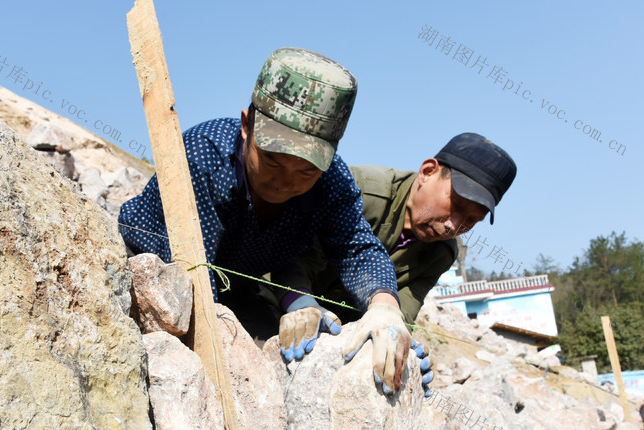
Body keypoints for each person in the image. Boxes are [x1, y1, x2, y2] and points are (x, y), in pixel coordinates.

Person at [118, 47, 412, 394]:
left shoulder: (332, 180)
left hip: (236, 290)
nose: (285, 181)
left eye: (305, 170)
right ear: (247, 126)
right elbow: (194, 283)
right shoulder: (202, 158)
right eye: (272, 160)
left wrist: (385, 306)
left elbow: (356, 247)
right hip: (153, 280)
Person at [273, 133, 517, 394]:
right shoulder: (360, 191)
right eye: (455, 205)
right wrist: (300, 304)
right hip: (273, 300)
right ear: (427, 171)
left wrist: (404, 350)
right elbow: (293, 257)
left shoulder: (441, 253)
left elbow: (402, 313)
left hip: (340, 337)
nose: (453, 225)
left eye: (471, 221)